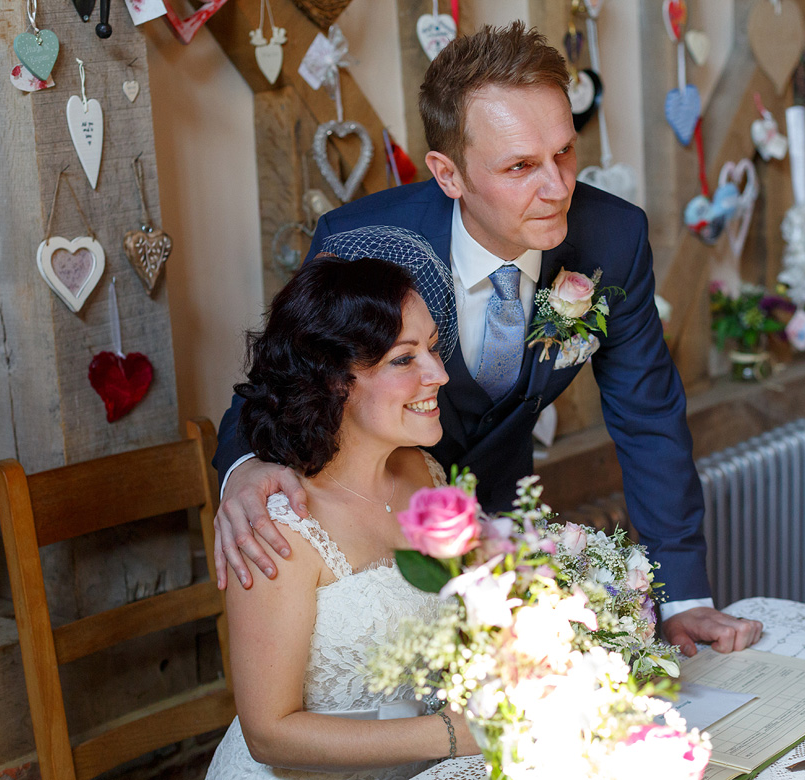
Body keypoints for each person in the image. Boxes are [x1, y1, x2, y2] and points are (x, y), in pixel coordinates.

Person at [212, 22, 762, 657]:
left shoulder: (613, 236)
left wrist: (683, 598)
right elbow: (279, 385)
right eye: (521, 166)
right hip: (372, 537)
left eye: (564, 152)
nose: (557, 188)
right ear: (448, 174)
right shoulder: (364, 244)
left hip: (499, 539)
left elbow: (648, 415)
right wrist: (247, 467)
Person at [205, 255, 478, 779]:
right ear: (334, 381)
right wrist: (452, 734)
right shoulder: (277, 526)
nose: (439, 374)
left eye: (434, 348)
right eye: (404, 359)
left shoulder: (426, 473)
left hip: (417, 759)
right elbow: (268, 732)